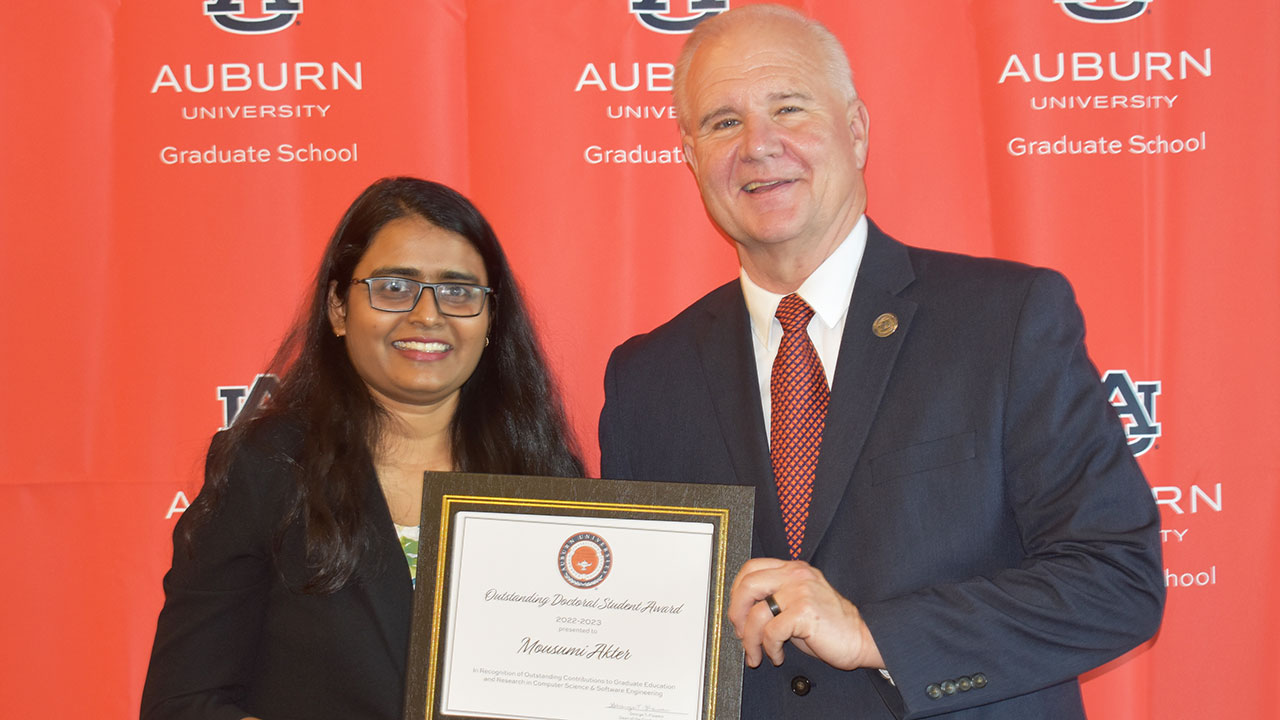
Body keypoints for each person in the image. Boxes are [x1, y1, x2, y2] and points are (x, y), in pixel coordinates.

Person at [598, 5, 1164, 718]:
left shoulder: (1006, 320)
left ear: (856, 130)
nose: (758, 145)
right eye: (722, 122)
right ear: (688, 154)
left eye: (788, 107)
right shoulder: (649, 375)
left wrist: (873, 634)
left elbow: (1117, 584)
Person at [141, 177, 583, 720]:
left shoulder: (546, 478)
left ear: (491, 320)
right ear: (338, 308)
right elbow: (182, 704)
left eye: (459, 290)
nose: (428, 315)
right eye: (394, 287)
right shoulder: (267, 466)